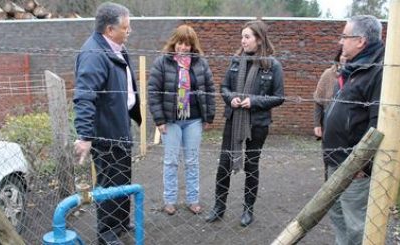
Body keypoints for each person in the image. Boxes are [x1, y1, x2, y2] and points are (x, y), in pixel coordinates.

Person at [73, 2, 141, 244]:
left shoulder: (115, 48)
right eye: (126, 27)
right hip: (106, 133)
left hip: (120, 127)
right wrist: (85, 135)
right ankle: (107, 233)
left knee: (123, 179)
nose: (129, 30)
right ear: (110, 29)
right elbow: (84, 96)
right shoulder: (94, 54)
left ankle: (121, 223)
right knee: (109, 182)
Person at [205, 20, 285, 227]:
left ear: (259, 39)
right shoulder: (235, 61)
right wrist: (230, 98)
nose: (243, 40)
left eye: (247, 37)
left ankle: (248, 209)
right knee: (224, 164)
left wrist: (254, 101)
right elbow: (223, 87)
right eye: (242, 36)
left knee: (251, 166)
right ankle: (218, 206)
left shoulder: (272, 65)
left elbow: (279, 97)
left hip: (257, 124)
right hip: (233, 120)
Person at [322, 15, 384, 245]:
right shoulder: (354, 69)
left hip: (354, 167)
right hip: (336, 159)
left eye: (345, 36)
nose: (341, 41)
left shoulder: (377, 71)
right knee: (337, 215)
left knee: (356, 224)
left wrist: (362, 163)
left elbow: (378, 123)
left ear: (360, 41)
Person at [148, 24, 216, 216]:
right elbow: (153, 92)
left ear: (193, 46)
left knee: (192, 161)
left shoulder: (200, 63)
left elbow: (210, 90)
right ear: (174, 42)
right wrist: (159, 120)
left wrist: (208, 116)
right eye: (180, 43)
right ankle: (169, 200)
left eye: (187, 44)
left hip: (194, 120)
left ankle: (192, 200)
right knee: (171, 161)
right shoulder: (162, 62)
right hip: (170, 120)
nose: (183, 47)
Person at [313, 49, 346, 180]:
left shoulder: (358, 76)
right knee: (329, 161)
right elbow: (318, 101)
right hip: (329, 126)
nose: (345, 58)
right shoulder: (328, 75)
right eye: (343, 55)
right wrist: (317, 124)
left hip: (349, 128)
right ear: (338, 57)